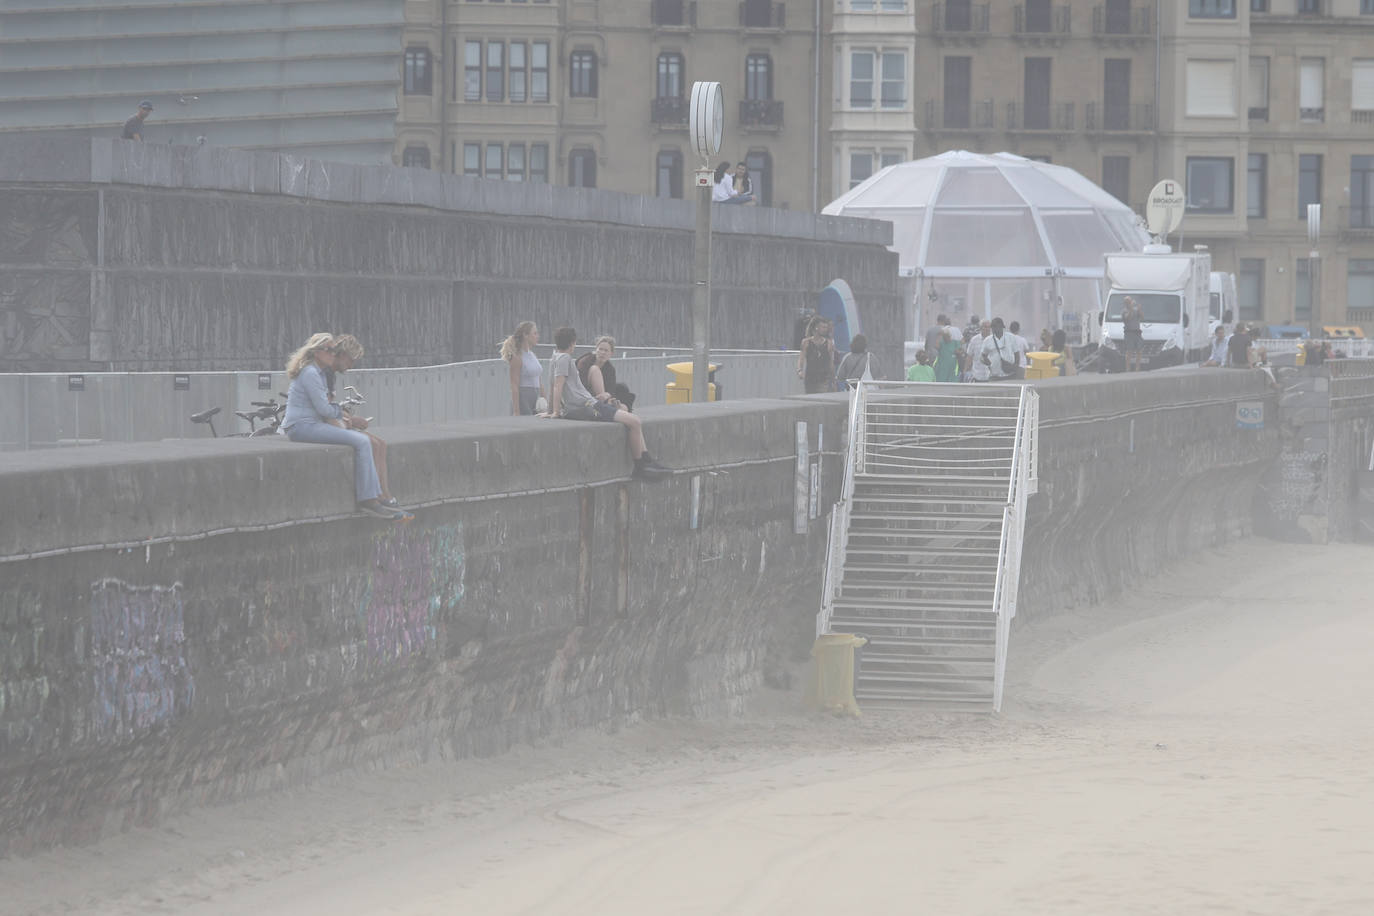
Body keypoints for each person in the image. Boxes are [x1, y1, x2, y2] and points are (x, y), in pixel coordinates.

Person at [281, 333, 411, 521]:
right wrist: (343, 415)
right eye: (329, 350)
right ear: (317, 352)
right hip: (302, 426)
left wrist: (340, 414)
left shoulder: (318, 372)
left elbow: (325, 407)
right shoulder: (310, 373)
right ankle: (369, 500)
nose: (332, 353)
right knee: (362, 441)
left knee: (364, 441)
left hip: (309, 424)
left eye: (334, 350)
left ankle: (376, 497)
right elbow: (323, 408)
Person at [543, 327, 669, 479]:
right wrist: (556, 412)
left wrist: (550, 411)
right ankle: (640, 466)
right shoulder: (565, 359)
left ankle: (647, 462)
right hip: (587, 405)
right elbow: (557, 386)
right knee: (634, 421)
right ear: (572, 343)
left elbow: (552, 385)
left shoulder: (554, 358)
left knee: (632, 419)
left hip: (586, 404)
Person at [327, 334, 404, 511]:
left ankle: (385, 493)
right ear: (342, 355)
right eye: (351, 360)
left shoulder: (330, 374)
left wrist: (346, 417)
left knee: (380, 444)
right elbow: (325, 410)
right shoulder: (325, 373)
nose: (351, 366)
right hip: (325, 424)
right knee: (371, 443)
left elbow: (329, 407)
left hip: (333, 421)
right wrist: (350, 420)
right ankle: (377, 495)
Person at [577, 335, 635, 410]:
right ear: (596, 350)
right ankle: (604, 407)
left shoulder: (610, 369)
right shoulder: (584, 362)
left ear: (611, 353)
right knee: (595, 369)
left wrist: (608, 395)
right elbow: (580, 385)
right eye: (600, 349)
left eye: (606, 350)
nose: (602, 353)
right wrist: (597, 397)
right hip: (583, 396)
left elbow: (611, 389)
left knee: (622, 392)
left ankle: (616, 407)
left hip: (601, 397)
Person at [501, 321, 545, 416]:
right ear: (525, 335)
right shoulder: (517, 357)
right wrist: (516, 411)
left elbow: (539, 380)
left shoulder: (532, 355)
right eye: (535, 333)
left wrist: (545, 400)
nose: (538, 336)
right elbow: (514, 385)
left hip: (536, 399)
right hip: (524, 398)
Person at [796, 317, 836, 394]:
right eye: (823, 327)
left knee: (821, 397)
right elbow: (801, 358)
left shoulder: (829, 343)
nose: (825, 329)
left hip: (824, 378)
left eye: (826, 327)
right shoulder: (806, 342)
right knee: (811, 398)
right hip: (810, 378)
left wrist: (833, 379)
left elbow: (831, 362)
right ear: (816, 328)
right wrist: (800, 370)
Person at [1121, 295, 1145, 372]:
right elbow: (1128, 318)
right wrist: (1131, 309)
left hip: (1137, 332)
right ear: (1125, 303)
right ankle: (1128, 368)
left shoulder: (1136, 310)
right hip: (1129, 333)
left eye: (1129, 301)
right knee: (1129, 351)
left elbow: (1142, 317)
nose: (1128, 303)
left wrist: (1139, 309)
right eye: (1127, 302)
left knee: (1139, 351)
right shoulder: (1124, 311)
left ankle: (1137, 368)